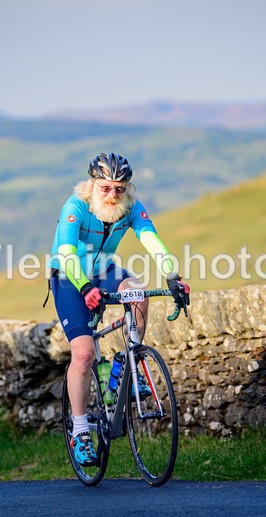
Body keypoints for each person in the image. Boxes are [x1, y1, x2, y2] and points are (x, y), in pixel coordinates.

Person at [49, 152, 190, 466]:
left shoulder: (131, 207)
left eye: (119, 188)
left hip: (104, 270)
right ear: (93, 185)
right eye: (106, 188)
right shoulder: (75, 207)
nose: (113, 195)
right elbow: (67, 253)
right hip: (70, 277)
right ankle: (80, 431)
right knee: (84, 354)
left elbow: (151, 239)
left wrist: (173, 276)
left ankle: (129, 362)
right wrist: (85, 287)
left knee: (138, 294)